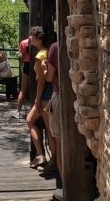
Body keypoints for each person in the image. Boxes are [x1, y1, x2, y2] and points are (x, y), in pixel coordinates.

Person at [26, 26, 52, 169]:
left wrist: (37, 100)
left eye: (31, 35)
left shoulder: (40, 55)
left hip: (44, 96)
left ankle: (46, 157)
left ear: (38, 38)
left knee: (49, 130)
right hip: (46, 94)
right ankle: (41, 155)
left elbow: (41, 81)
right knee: (30, 121)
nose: (29, 38)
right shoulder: (45, 52)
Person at [43, 40, 61, 180]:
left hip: (59, 96)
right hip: (80, 97)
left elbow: (49, 77)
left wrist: (44, 69)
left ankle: (64, 182)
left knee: (60, 141)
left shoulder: (55, 46)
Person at [16, 35, 33, 118]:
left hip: (27, 65)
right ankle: (33, 110)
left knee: (23, 89)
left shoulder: (23, 42)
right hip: (37, 63)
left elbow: (22, 56)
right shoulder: (37, 41)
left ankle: (18, 111)